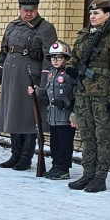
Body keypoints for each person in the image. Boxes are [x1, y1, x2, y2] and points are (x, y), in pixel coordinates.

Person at [66, 0, 110, 193]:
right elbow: (74, 58)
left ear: (107, 16)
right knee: (87, 135)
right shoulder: (84, 36)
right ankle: (88, 173)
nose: (93, 17)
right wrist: (71, 70)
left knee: (103, 137)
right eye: (91, 14)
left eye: (97, 13)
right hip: (84, 93)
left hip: (103, 96)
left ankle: (100, 177)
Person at [0, 0, 57, 171]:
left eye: (32, 9)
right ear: (19, 7)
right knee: (14, 115)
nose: (28, 12)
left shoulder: (45, 28)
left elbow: (49, 57)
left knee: (29, 118)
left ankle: (26, 157)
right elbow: (4, 51)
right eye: (25, 9)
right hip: (11, 77)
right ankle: (15, 154)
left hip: (31, 78)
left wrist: (44, 83)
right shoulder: (12, 26)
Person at [34, 41, 79, 180]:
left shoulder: (70, 74)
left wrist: (75, 114)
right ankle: (55, 166)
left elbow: (78, 95)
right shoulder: (51, 73)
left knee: (65, 144)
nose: (55, 61)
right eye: (53, 58)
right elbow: (48, 91)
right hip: (53, 115)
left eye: (59, 58)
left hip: (65, 116)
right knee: (55, 144)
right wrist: (37, 91)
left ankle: (63, 168)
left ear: (66, 58)